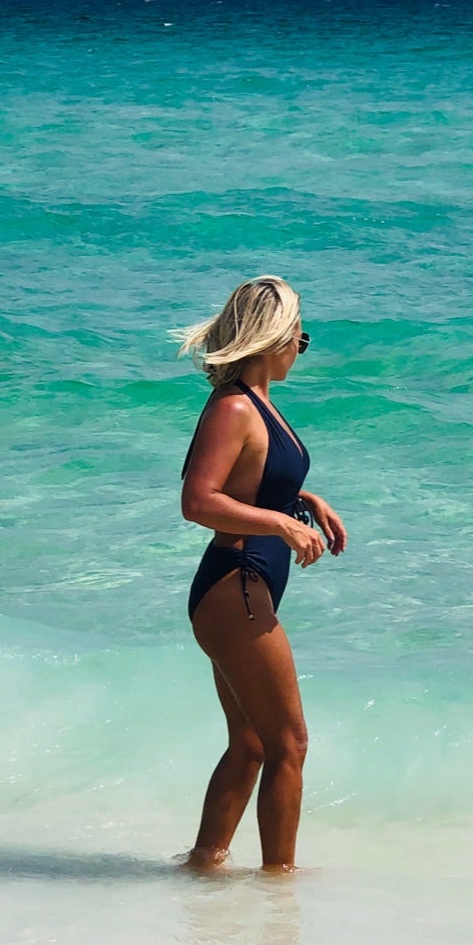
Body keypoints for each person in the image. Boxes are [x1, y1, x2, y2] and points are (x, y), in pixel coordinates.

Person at [175, 277, 347, 872]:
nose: (302, 347)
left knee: (250, 745)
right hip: (237, 585)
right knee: (289, 744)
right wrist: (281, 525)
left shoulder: (258, 403)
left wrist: (303, 501)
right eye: (300, 336)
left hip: (243, 586)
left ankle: (203, 868)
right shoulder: (233, 407)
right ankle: (280, 886)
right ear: (273, 337)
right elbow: (199, 500)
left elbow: (253, 478)